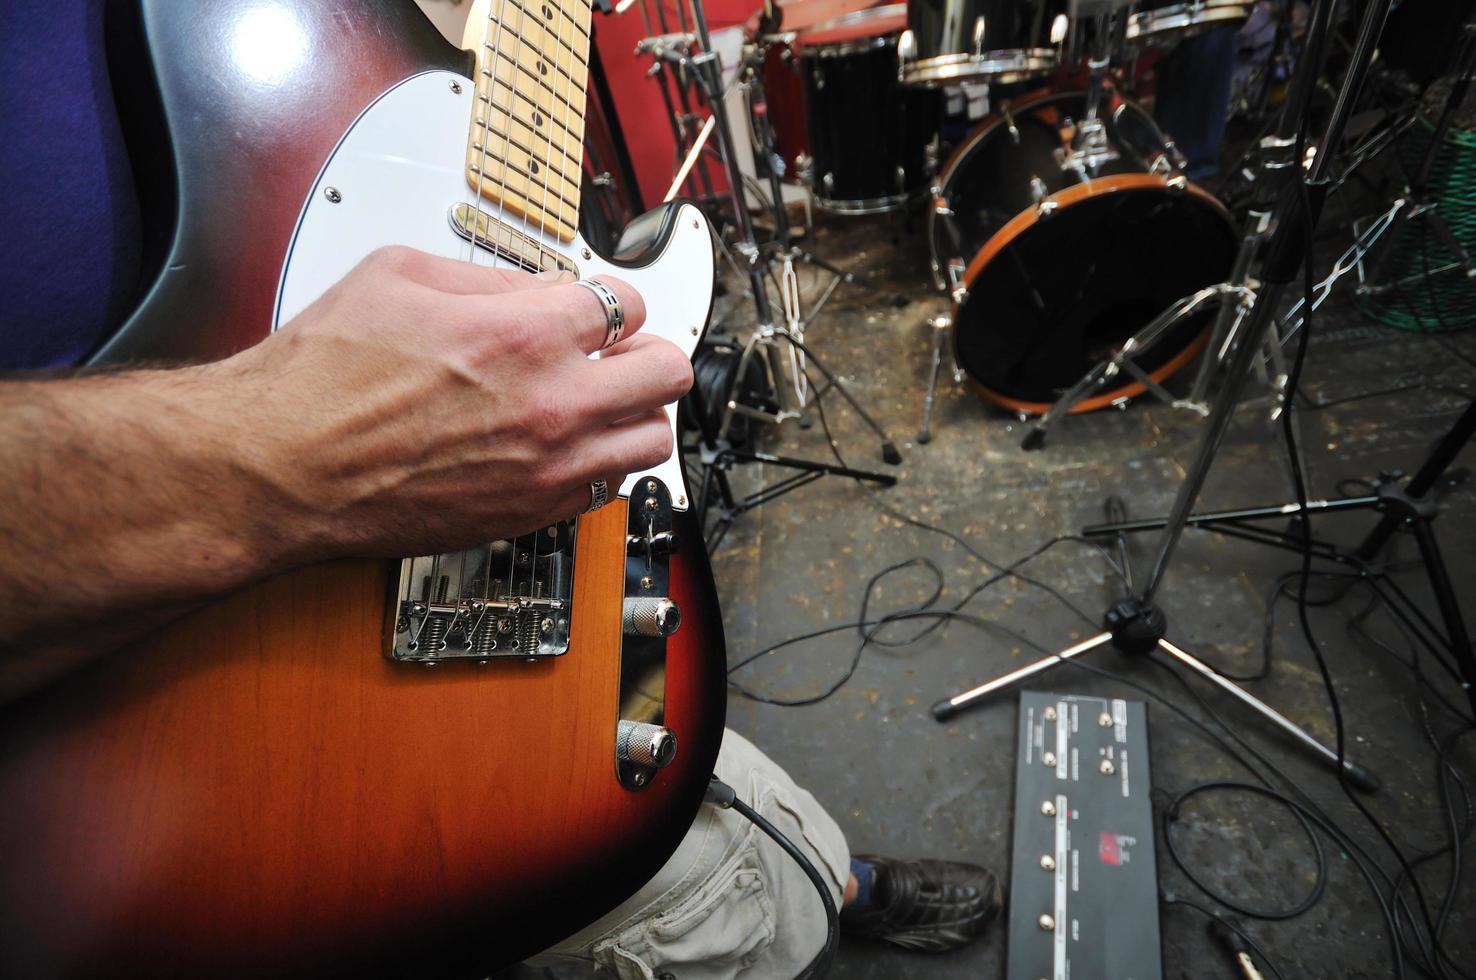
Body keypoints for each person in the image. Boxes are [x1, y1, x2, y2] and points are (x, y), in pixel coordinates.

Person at [0, 2, 1002, 976]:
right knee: (704, 911)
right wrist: (298, 454)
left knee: (700, 785)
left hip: (551, 589)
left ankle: (827, 873)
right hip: (183, 765)